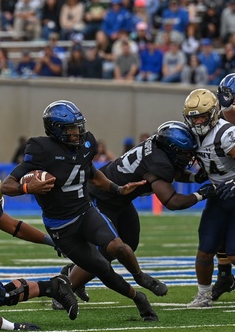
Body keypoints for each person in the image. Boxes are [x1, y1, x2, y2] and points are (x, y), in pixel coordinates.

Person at [1, 101, 161, 322]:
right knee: (102, 268)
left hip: (85, 212)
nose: (77, 133)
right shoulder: (41, 150)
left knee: (119, 247)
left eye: (78, 127)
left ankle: (140, 276)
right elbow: (5, 185)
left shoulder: (86, 143)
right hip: (60, 227)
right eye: (70, 129)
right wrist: (27, 187)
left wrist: (117, 189)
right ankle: (139, 298)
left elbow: (93, 174)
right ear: (55, 130)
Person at [63, 121, 212, 308]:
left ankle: (73, 271)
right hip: (102, 197)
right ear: (171, 148)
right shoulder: (158, 161)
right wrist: (202, 194)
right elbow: (172, 201)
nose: (188, 157)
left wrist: (193, 177)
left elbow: (171, 172)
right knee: (111, 249)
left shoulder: (158, 149)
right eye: (184, 152)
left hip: (120, 199)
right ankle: (64, 289)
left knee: (129, 242)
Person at [182, 89, 235, 308]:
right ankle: (203, 294)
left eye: (202, 116)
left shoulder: (224, 132)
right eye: (193, 117)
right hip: (218, 194)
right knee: (205, 250)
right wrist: (197, 176)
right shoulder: (189, 134)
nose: (198, 121)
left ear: (213, 114)